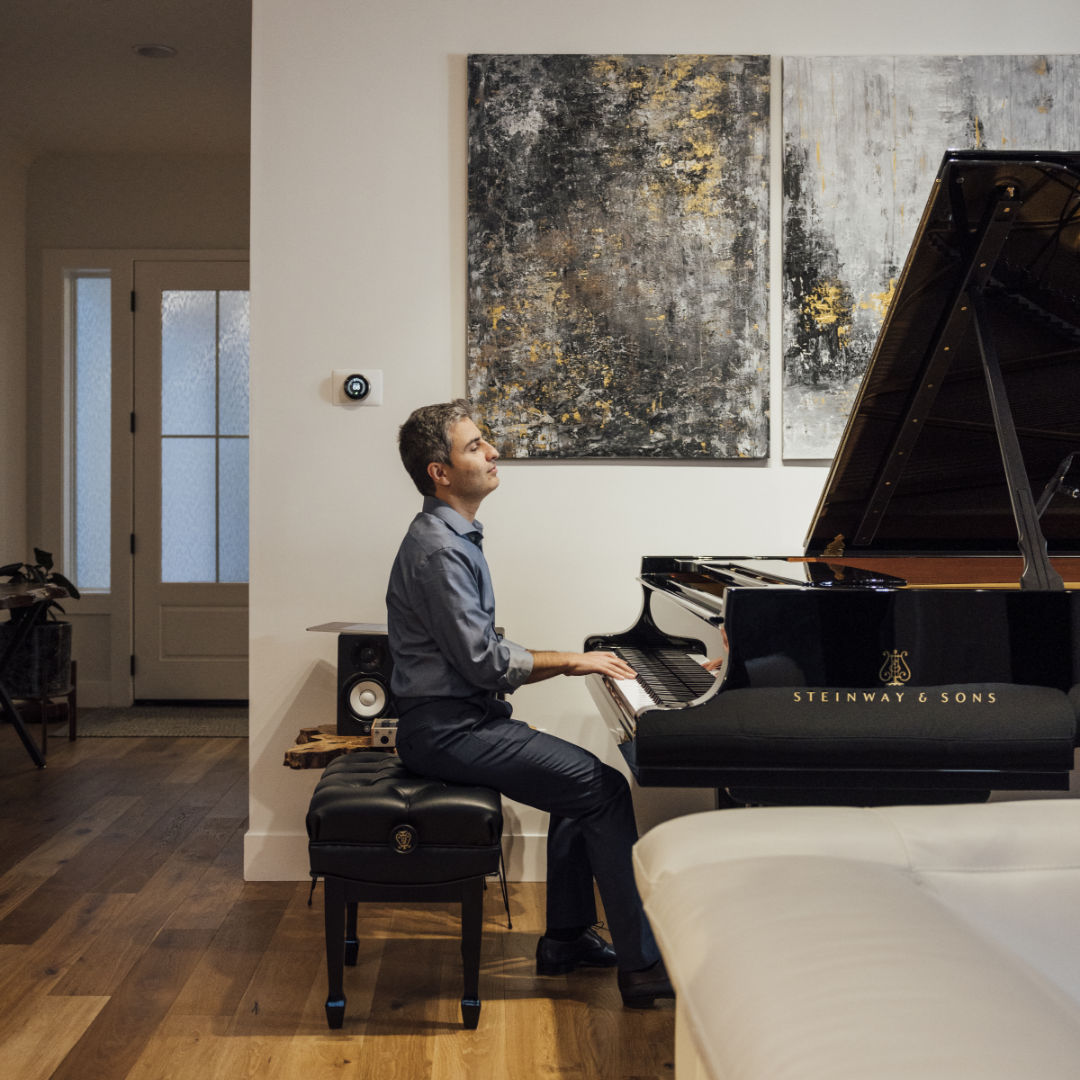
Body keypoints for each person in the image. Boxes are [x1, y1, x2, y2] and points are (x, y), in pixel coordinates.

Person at [385, 399, 674, 1008]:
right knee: (606, 791)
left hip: (460, 720)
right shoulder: (439, 550)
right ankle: (642, 967)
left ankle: (566, 940)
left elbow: (476, 660)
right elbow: (483, 662)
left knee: (581, 782)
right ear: (439, 471)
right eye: (475, 446)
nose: (492, 454)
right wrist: (573, 659)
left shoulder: (450, 537)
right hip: (444, 731)